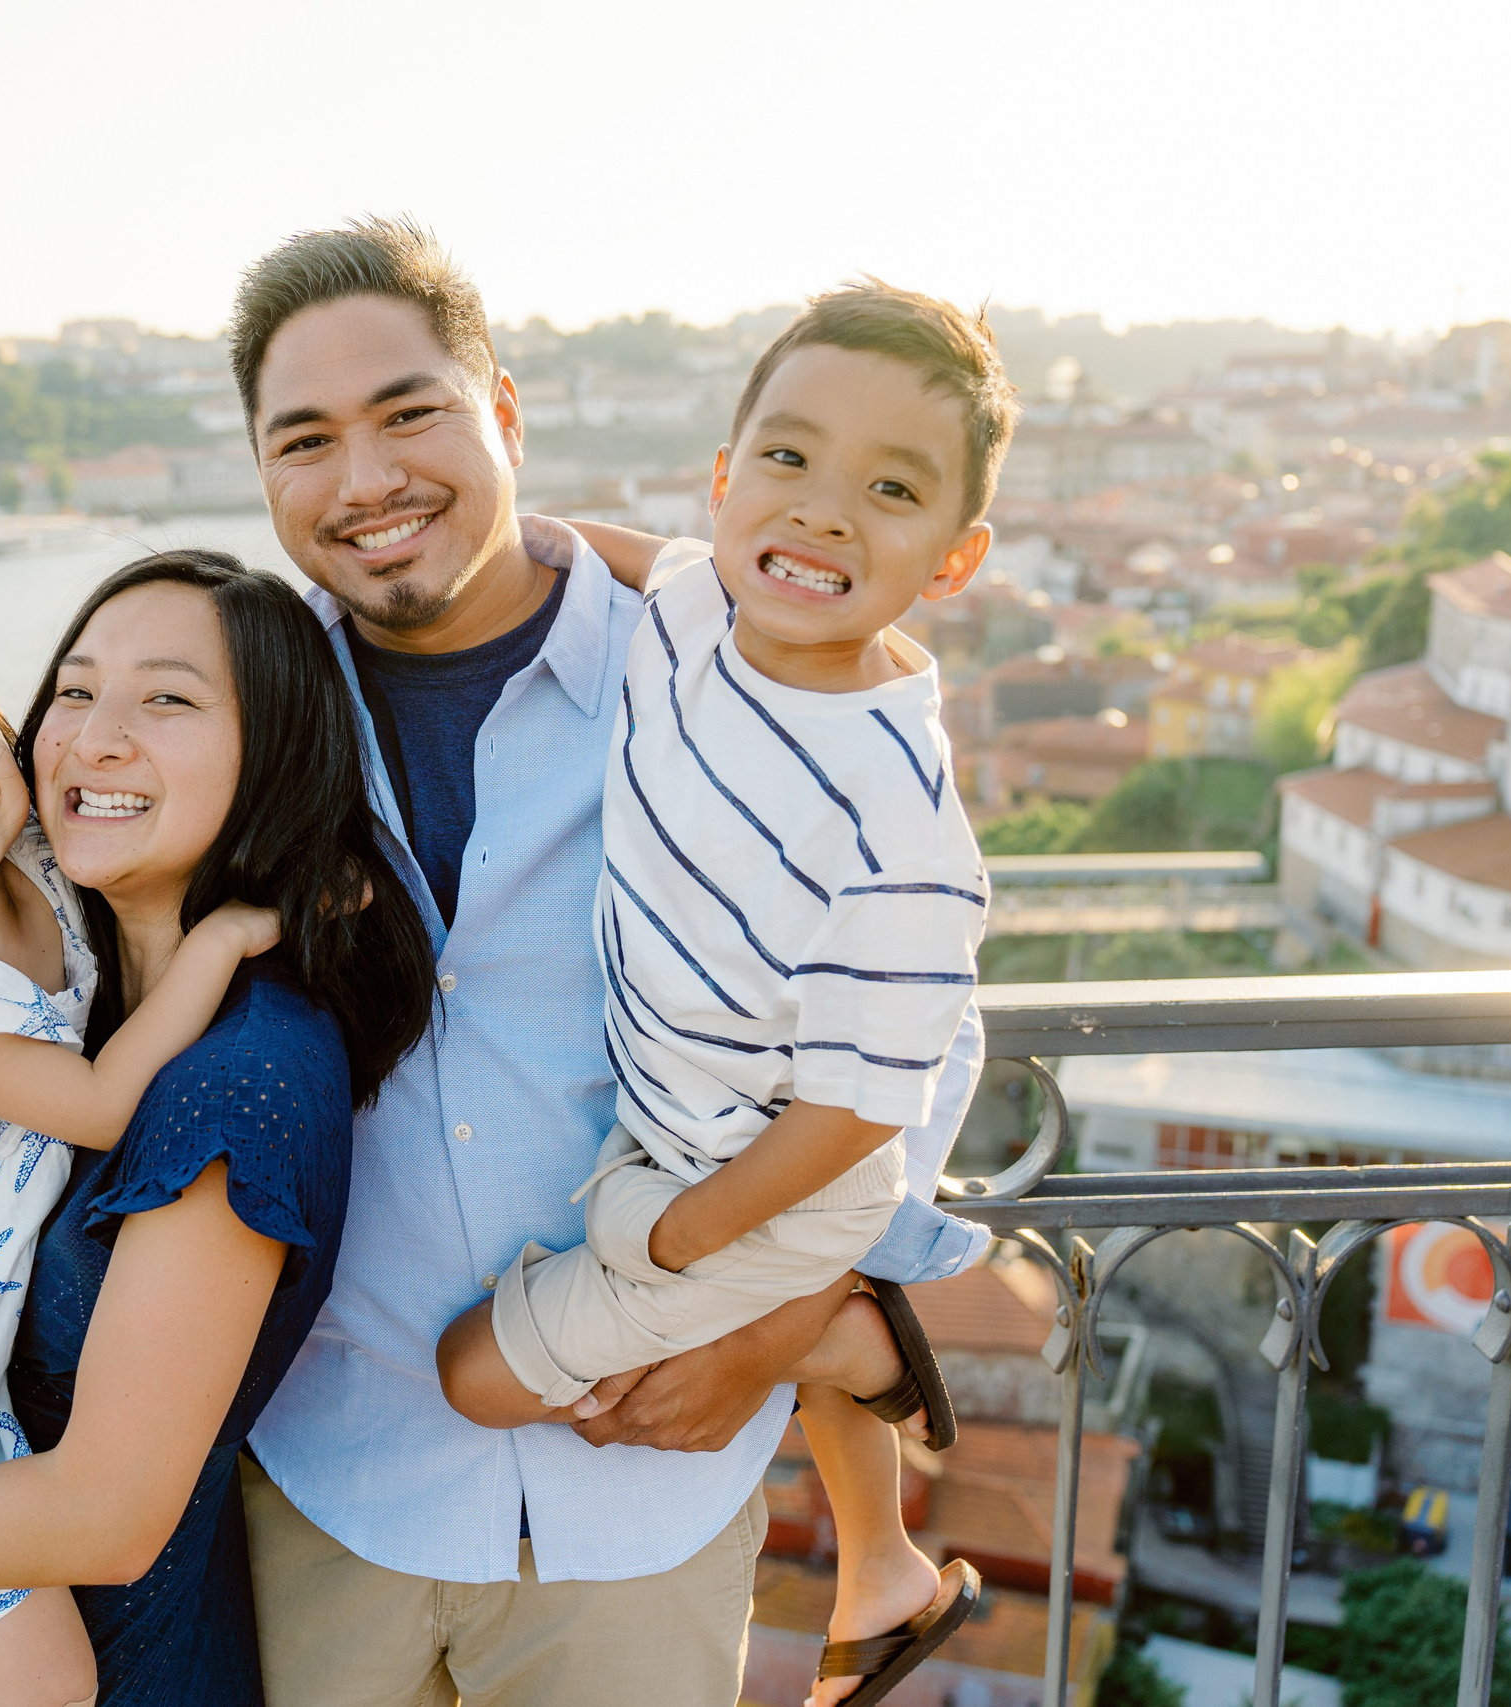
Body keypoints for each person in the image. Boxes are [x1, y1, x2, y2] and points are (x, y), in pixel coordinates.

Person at [226, 218, 999, 1707]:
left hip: (647, 1492)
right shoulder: (236, 713)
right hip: (330, 1478)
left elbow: (924, 1036)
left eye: (409, 414)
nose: (366, 478)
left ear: (503, 413)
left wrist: (783, 1329)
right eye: (305, 439)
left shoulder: (733, 663)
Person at [432, 282, 1019, 1706]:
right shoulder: (700, 608)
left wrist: (697, 1242)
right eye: (789, 459)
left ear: (953, 559)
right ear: (724, 480)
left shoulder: (898, 818)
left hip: (766, 1175)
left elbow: (848, 1113)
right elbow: (635, 561)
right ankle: (880, 1569)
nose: (822, 511)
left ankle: (834, 1327)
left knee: (472, 1374)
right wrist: (526, 541)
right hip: (684, 1124)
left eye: (890, 487)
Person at [0, 554, 437, 1706]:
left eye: (165, 698)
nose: (93, 740)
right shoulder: (78, 966)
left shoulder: (234, 1081)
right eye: (72, 693)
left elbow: (108, 1519)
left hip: (91, 1636)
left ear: (272, 751)